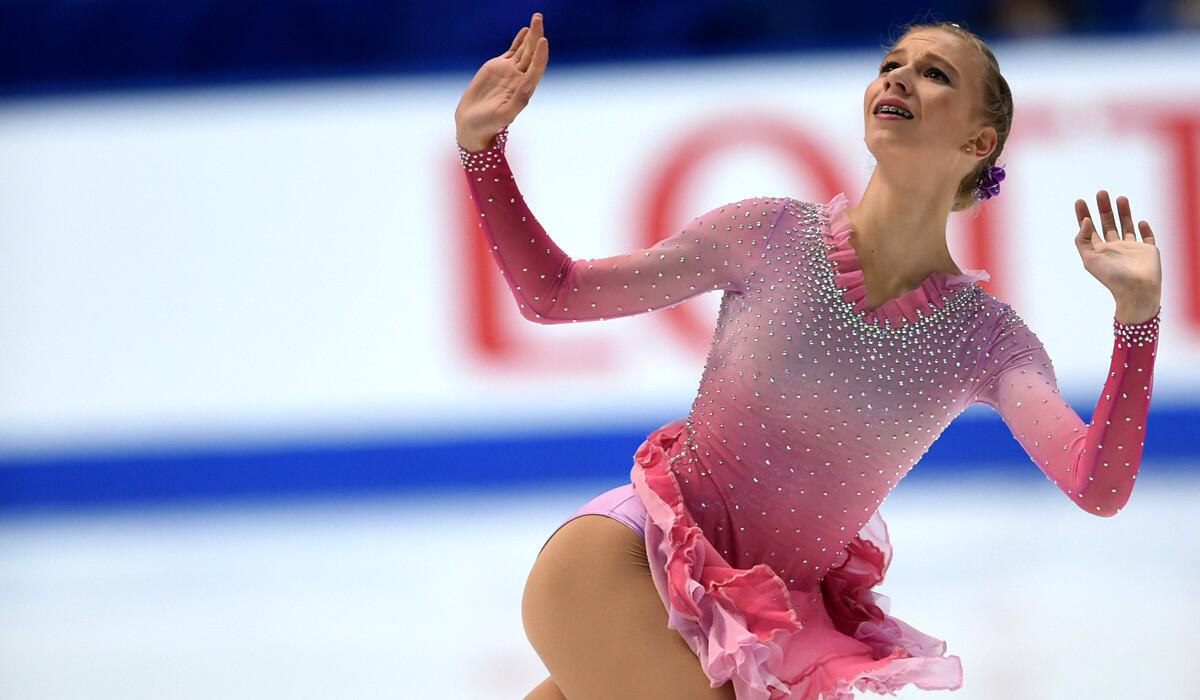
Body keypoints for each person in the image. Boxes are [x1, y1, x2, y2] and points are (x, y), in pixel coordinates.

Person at [454, 12, 1163, 700]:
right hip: (622, 568)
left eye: (934, 73)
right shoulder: (766, 234)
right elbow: (555, 295)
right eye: (892, 66)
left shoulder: (986, 341)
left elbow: (1096, 484)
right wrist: (482, 150)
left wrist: (1137, 321)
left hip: (759, 631)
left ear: (981, 140)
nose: (900, 79)